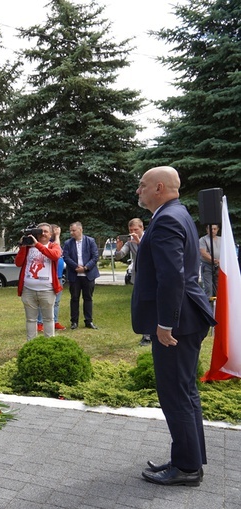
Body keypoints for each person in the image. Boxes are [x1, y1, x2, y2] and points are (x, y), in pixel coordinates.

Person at [133, 166, 216, 486]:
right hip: (188, 318)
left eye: (141, 186)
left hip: (177, 323)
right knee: (185, 392)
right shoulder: (178, 213)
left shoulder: (167, 218)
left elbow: (172, 277)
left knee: (175, 394)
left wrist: (165, 323)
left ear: (158, 187)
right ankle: (189, 459)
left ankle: (186, 467)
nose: (138, 191)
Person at [15, 223, 63, 341]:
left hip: (47, 290)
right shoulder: (28, 247)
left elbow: (55, 256)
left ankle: (49, 344)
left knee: (48, 319)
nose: (43, 234)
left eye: (46, 231)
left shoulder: (53, 246)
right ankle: (31, 344)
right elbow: (18, 263)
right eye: (40, 231)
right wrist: (22, 246)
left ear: (51, 234)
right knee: (31, 319)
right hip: (29, 290)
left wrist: (37, 245)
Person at [115, 218, 150, 346]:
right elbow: (120, 256)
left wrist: (139, 242)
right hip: (138, 275)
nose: (133, 232)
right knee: (142, 305)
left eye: (136, 229)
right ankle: (146, 335)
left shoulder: (149, 236)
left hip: (152, 275)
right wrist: (118, 250)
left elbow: (150, 253)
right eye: (130, 230)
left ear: (142, 228)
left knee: (152, 304)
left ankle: (154, 333)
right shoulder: (130, 242)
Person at [62, 221, 100, 329]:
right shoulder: (68, 243)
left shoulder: (90, 241)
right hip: (74, 275)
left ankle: (89, 321)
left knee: (88, 298)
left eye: (73, 230)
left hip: (88, 275)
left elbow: (95, 256)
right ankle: (74, 322)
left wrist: (85, 268)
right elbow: (66, 257)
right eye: (70, 231)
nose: (71, 233)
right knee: (74, 298)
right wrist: (76, 267)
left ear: (80, 229)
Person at [37, 224, 66, 332]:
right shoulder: (48, 245)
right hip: (49, 277)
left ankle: (55, 321)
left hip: (58, 277)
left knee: (56, 302)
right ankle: (39, 323)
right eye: (55, 230)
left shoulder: (55, 244)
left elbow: (59, 252)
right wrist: (57, 235)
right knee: (43, 302)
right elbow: (55, 252)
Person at [199, 224, 221, 298]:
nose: (213, 231)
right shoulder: (203, 240)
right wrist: (214, 260)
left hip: (219, 266)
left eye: (215, 229)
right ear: (207, 229)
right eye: (211, 229)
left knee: (219, 287)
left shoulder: (221, 239)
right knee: (208, 288)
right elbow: (203, 253)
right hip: (207, 266)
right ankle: (208, 306)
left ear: (218, 229)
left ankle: (218, 306)